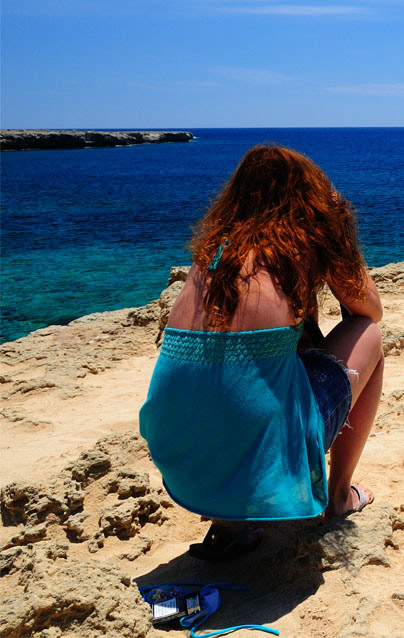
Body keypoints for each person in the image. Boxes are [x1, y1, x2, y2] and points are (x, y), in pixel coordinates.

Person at [139, 145, 384, 560]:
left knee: (246, 368)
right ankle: (338, 496)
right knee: (369, 335)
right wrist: (339, 232)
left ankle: (231, 524)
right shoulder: (300, 247)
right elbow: (370, 311)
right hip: (237, 456)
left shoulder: (212, 254)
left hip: (183, 461)